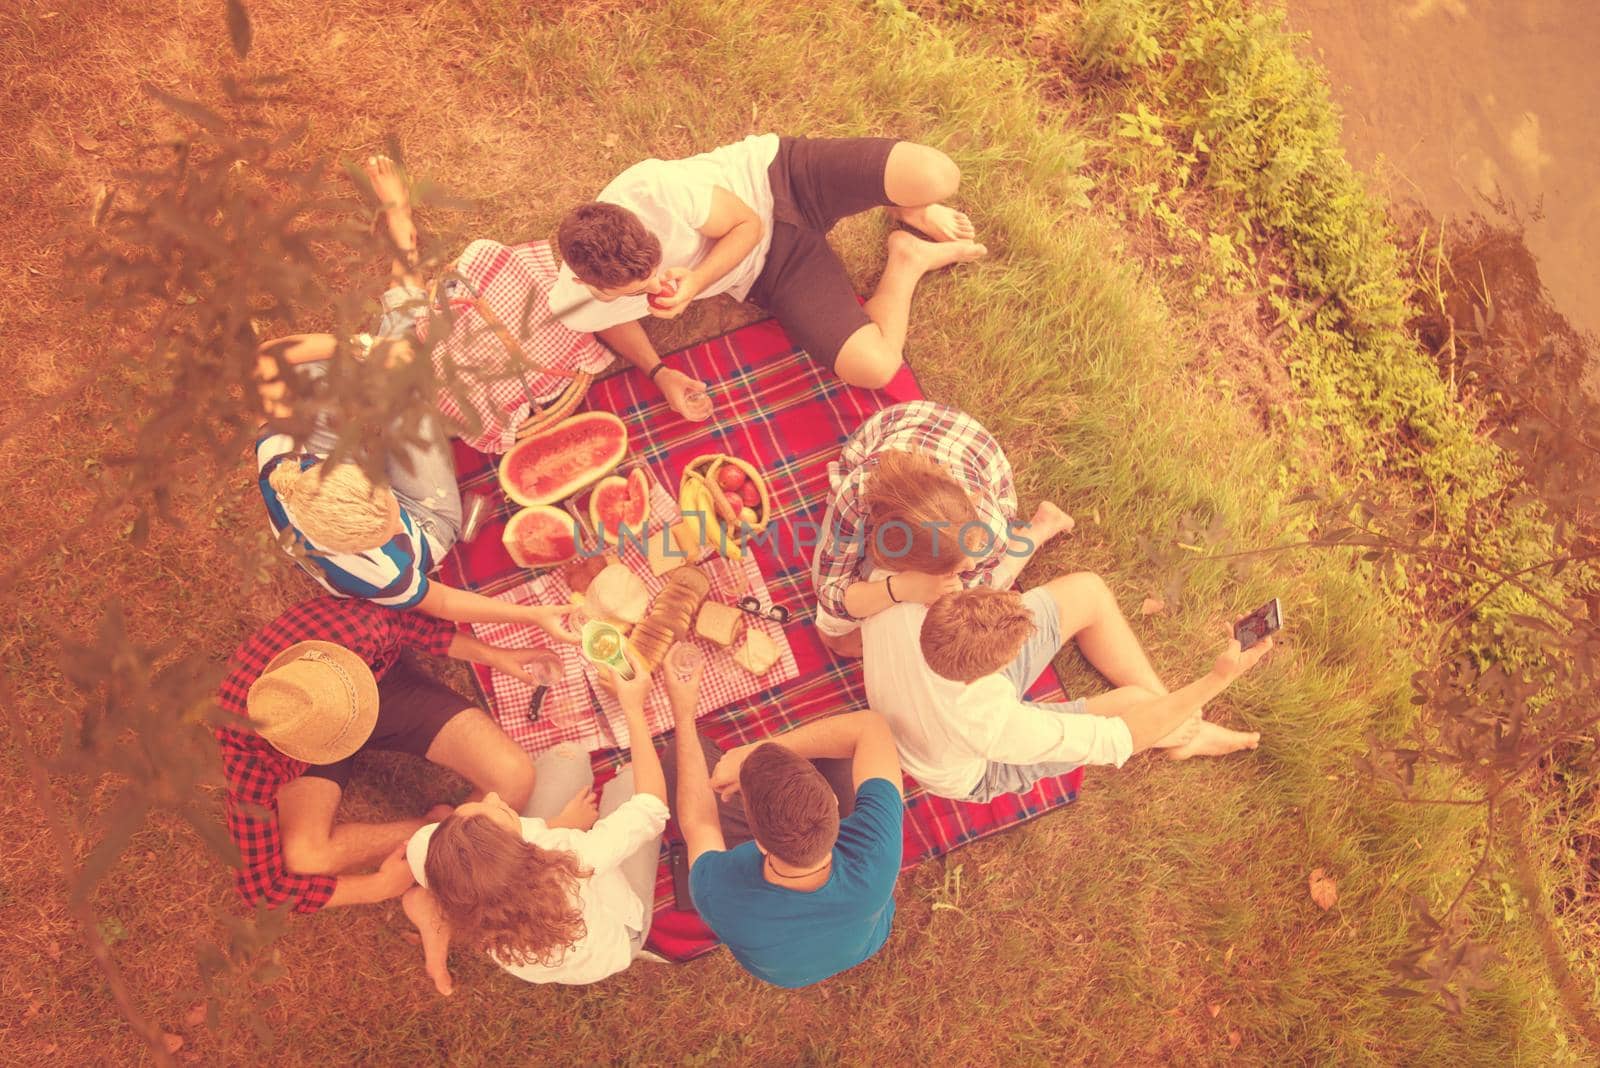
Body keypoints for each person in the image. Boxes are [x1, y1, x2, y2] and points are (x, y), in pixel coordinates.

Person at [252, 156, 576, 635]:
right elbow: (441, 601)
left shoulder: (282, 457)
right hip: (426, 518)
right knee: (411, 374)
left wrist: (364, 348)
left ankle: (398, 221)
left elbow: (266, 360)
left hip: (333, 445)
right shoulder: (377, 574)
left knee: (380, 353)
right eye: (386, 516)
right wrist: (534, 617)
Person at [549, 133, 987, 394]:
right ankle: (908, 259)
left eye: (655, 269)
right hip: (771, 268)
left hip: (777, 176)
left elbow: (748, 225)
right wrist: (660, 373)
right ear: (597, 288)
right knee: (875, 368)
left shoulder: (656, 190)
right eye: (638, 292)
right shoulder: (576, 301)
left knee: (936, 174)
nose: (656, 285)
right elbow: (601, 319)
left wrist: (698, 278)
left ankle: (907, 208)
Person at [216, 595, 550, 914]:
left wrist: (496, 656)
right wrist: (375, 887)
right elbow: (260, 889)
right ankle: (438, 833)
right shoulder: (248, 751)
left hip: (383, 689)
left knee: (514, 777)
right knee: (306, 856)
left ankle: (448, 838)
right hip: (307, 744)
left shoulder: (355, 628)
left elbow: (419, 627)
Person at [861, 575, 1271, 803]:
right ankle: (1185, 734)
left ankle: (1178, 723)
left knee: (1088, 592)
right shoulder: (994, 725)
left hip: (930, 695)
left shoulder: (905, 588)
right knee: (1137, 706)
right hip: (973, 766)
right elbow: (1119, 738)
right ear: (997, 671)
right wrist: (1216, 680)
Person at [399, 653, 669, 992]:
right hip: (618, 939)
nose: (494, 797)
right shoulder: (572, 859)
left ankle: (431, 929)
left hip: (541, 956)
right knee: (633, 781)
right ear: (518, 848)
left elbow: (424, 850)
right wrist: (633, 709)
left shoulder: (448, 868)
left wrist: (558, 823)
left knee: (566, 756)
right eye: (496, 812)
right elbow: (652, 807)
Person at [665, 649, 905, 988]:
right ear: (833, 801)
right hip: (864, 942)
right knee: (845, 742)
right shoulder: (879, 848)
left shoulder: (717, 890)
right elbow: (871, 727)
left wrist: (684, 716)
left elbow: (699, 824)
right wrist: (764, 751)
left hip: (784, 973)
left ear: (758, 841)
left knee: (678, 758)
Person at [811, 400, 1075, 657]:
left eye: (969, 555)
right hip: (899, 433)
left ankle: (1040, 528)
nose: (971, 565)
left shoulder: (988, 527)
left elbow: (971, 593)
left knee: (978, 593)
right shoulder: (858, 493)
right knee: (838, 640)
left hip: (974, 450)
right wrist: (898, 588)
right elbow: (829, 588)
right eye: (955, 565)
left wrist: (957, 593)